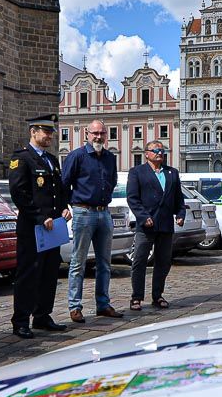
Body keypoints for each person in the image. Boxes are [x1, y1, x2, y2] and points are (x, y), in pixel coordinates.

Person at [8, 114, 71, 339]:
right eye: (45, 131)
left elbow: (60, 190)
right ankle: (21, 320)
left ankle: (43, 315)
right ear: (33, 132)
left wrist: (64, 208)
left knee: (49, 273)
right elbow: (19, 192)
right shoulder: (22, 158)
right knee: (29, 274)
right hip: (32, 227)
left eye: (51, 132)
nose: (49, 136)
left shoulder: (52, 160)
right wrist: (38, 216)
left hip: (53, 226)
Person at [61, 119, 122, 323]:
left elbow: (112, 182)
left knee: (105, 262)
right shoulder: (77, 156)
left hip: (104, 213)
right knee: (78, 262)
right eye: (95, 133)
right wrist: (67, 206)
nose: (98, 137)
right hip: (83, 212)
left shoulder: (109, 157)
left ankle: (103, 304)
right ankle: (75, 306)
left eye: (102, 133)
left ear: (106, 135)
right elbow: (64, 184)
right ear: (87, 134)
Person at [126, 141, 185, 310]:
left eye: (162, 150)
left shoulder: (172, 173)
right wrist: (143, 216)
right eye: (156, 150)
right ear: (147, 154)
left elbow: (178, 199)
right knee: (139, 261)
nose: (160, 153)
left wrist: (180, 214)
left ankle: (157, 295)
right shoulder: (137, 172)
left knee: (163, 262)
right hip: (147, 225)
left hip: (166, 225)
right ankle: (136, 297)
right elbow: (133, 198)